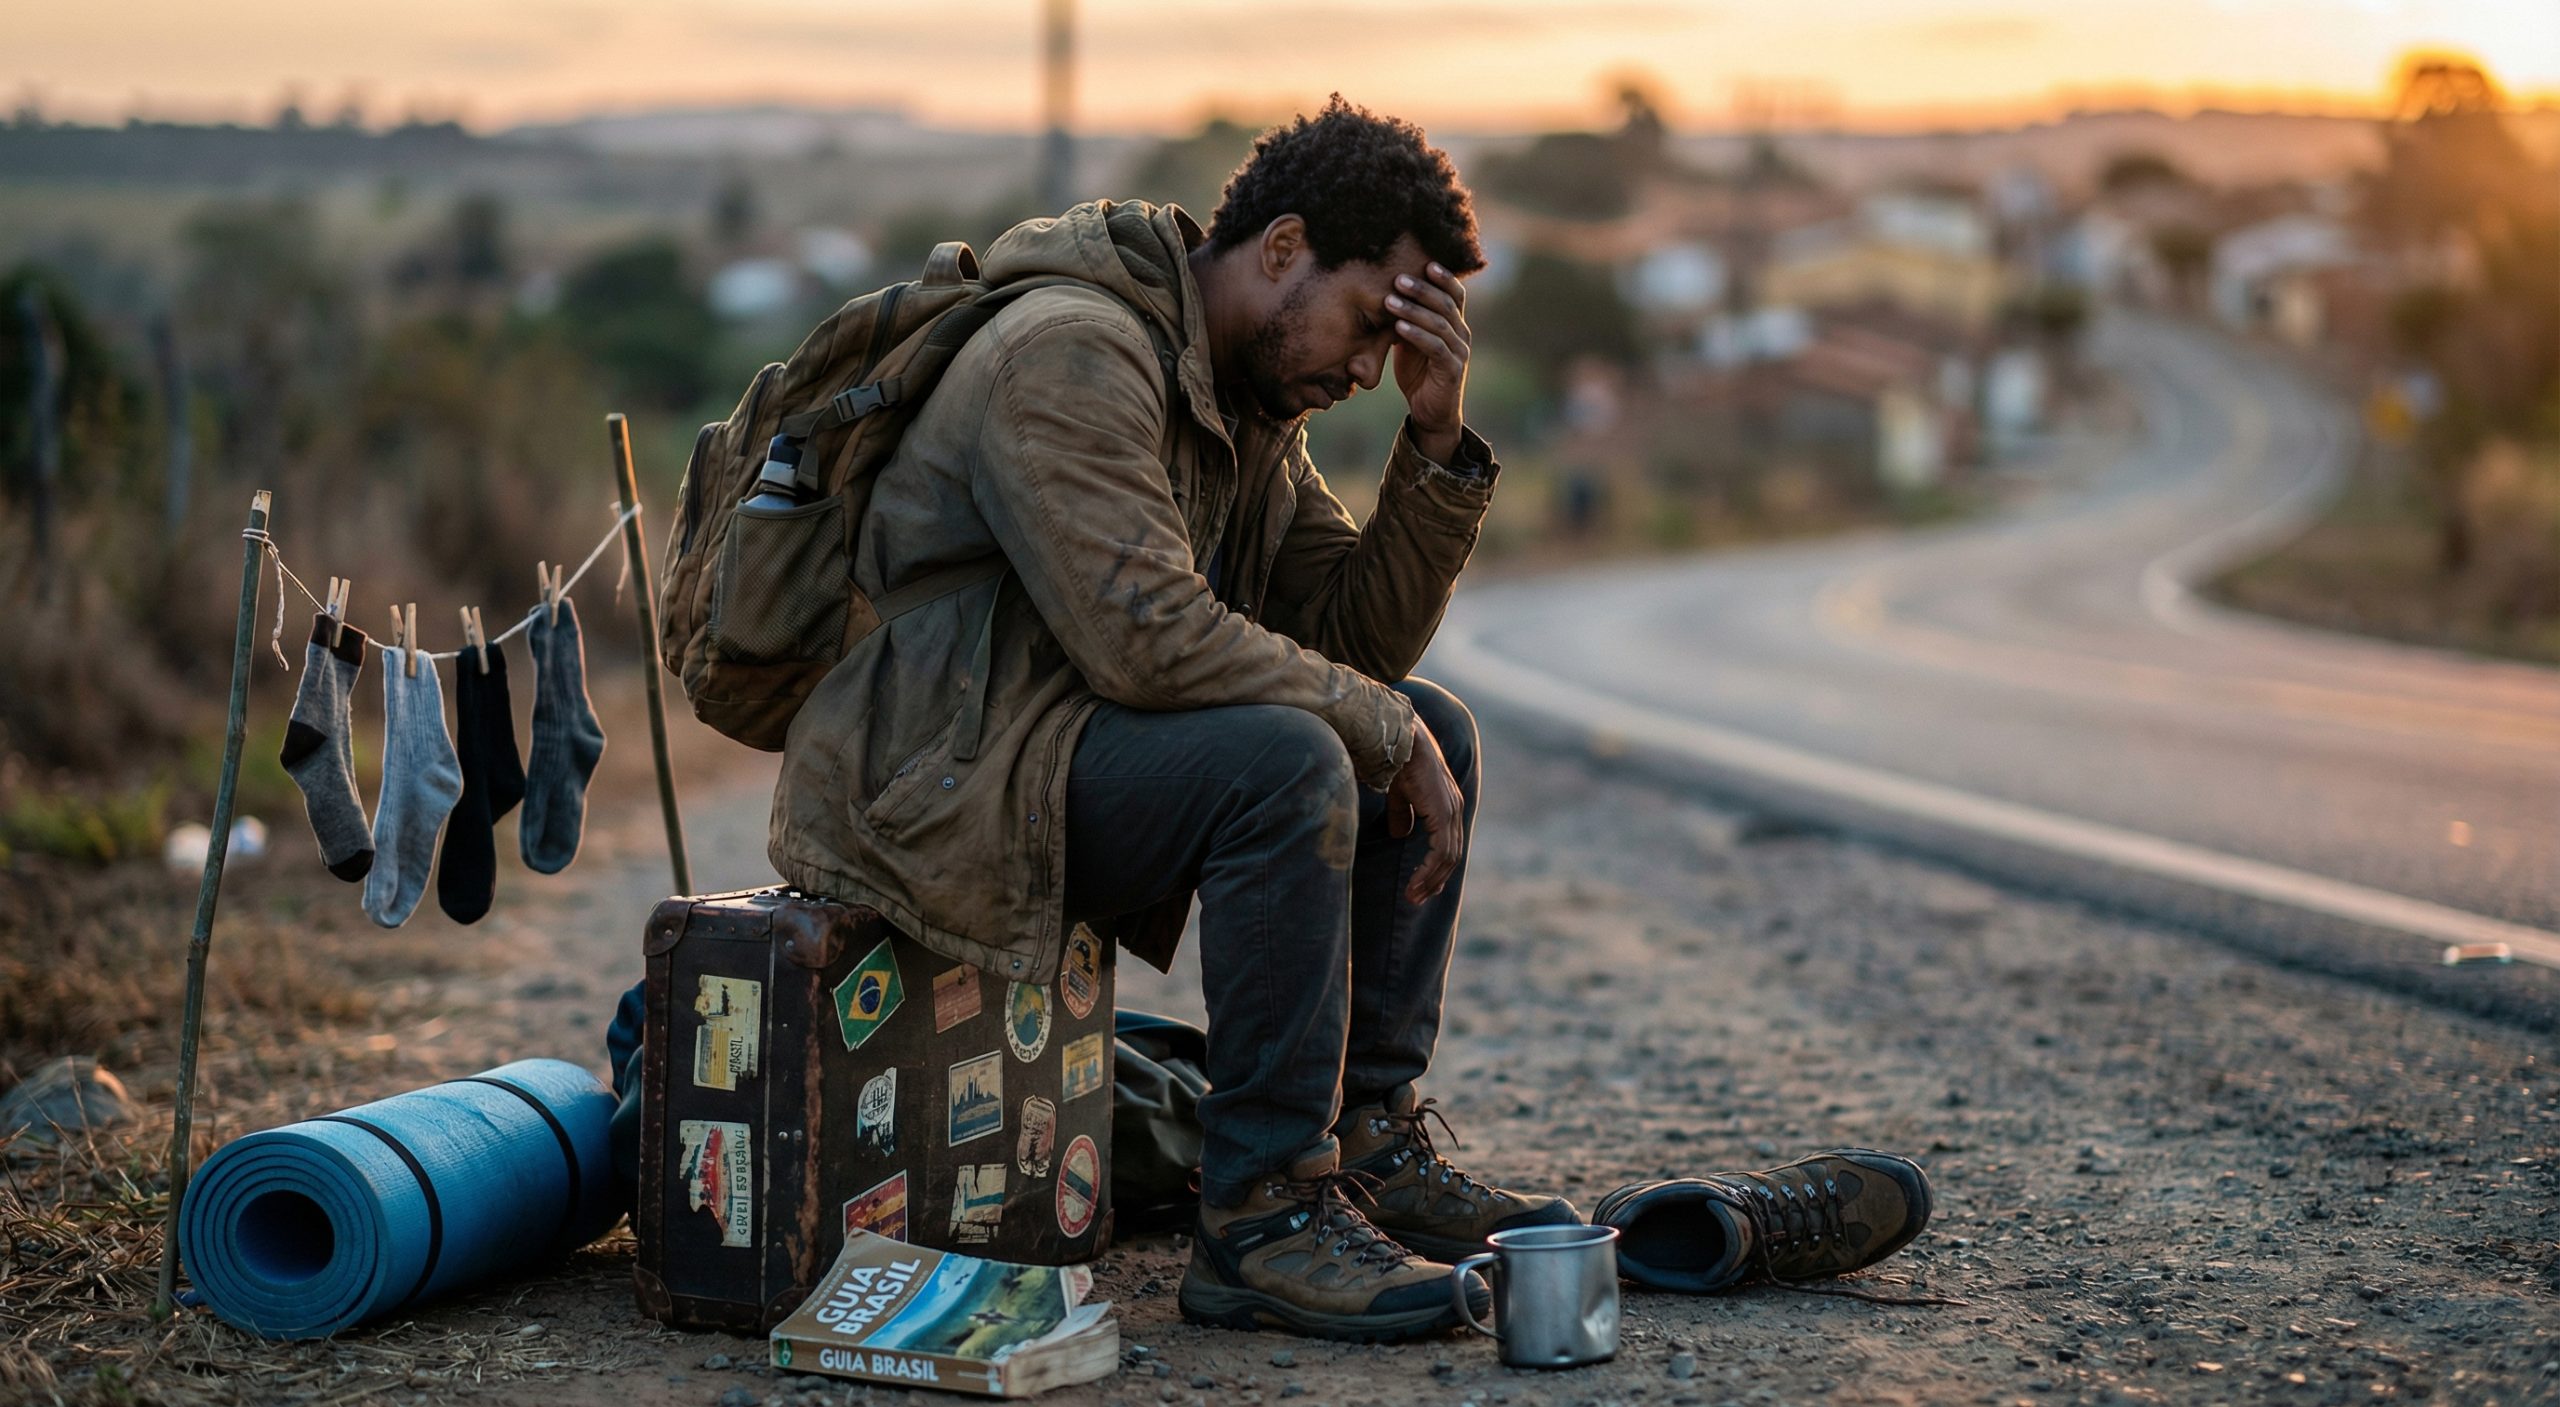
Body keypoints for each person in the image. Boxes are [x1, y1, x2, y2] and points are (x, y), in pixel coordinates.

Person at [620, 96, 1928, 1342]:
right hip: (932, 779)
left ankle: (1363, 1151)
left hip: (1041, 747)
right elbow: (1145, 639)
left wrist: (1434, 442)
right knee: (1298, 757)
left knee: (1428, 728)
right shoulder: (1068, 354)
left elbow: (1348, 642)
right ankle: (1262, 1221)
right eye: (1367, 325)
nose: (1369, 365)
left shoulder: (1242, 413)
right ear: (1283, 251)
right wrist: (1366, 721)